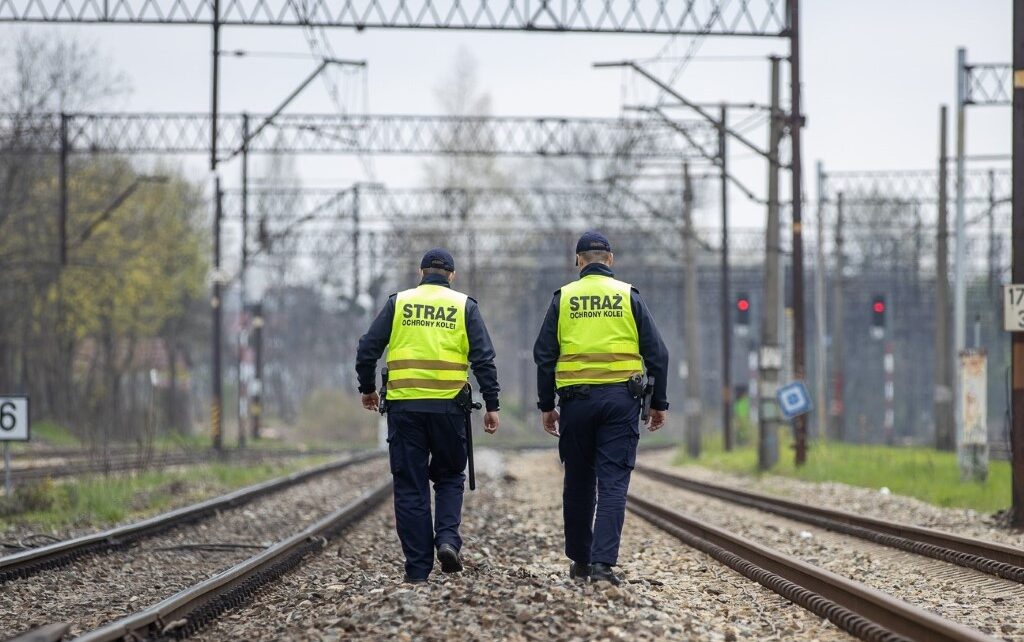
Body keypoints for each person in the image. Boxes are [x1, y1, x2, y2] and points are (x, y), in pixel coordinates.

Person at [533, 231, 669, 585]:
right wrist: (660, 403)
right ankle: (602, 566)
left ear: (578, 260)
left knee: (578, 481)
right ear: (610, 259)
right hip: (621, 403)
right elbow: (659, 354)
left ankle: (579, 560)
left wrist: (547, 405)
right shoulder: (628, 295)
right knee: (612, 483)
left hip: (576, 403)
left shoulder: (563, 298)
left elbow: (544, 355)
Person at [356, 248, 500, 584]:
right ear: (452, 275)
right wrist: (492, 404)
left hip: (405, 408)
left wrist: (367, 387)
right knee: (450, 476)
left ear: (421, 272)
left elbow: (367, 348)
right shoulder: (464, 306)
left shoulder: (399, 303)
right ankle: (447, 540)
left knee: (411, 485)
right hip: (450, 408)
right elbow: (483, 359)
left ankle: (417, 571)